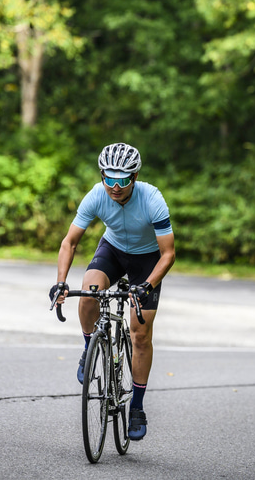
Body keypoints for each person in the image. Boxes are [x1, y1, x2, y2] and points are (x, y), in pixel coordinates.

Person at [49, 142, 175, 441]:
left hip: (147, 260)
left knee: (140, 334)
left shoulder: (152, 199)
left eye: (123, 179)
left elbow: (168, 254)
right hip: (113, 250)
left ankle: (137, 407)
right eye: (109, 178)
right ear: (102, 175)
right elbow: (69, 242)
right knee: (89, 292)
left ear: (135, 177)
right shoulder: (96, 195)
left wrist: (147, 285)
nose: (115, 187)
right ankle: (89, 348)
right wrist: (61, 281)